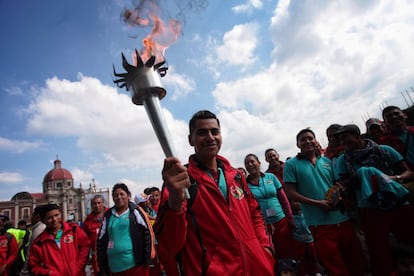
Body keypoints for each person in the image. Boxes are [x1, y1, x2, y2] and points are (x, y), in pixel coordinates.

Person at [154, 110, 274, 276]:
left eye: (214, 131)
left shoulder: (237, 176)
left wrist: (264, 248)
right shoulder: (179, 182)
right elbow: (170, 245)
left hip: (257, 267)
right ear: (191, 140)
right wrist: (174, 201)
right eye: (202, 133)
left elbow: (255, 213)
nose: (210, 137)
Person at [335, 124, 414, 276]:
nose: (343, 143)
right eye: (340, 140)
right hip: (370, 208)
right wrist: (364, 176)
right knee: (378, 251)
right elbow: (343, 183)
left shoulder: (384, 150)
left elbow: (408, 172)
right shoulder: (342, 160)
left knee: (409, 240)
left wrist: (392, 178)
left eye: (346, 138)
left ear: (357, 135)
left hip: (398, 204)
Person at [283, 128, 363, 276]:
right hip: (318, 224)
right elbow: (290, 192)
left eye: (310, 138)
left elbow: (336, 184)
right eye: (303, 139)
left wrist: (339, 195)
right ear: (297, 144)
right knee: (335, 267)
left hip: (342, 219)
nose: (307, 141)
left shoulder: (326, 161)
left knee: (355, 262)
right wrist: (318, 203)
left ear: (315, 140)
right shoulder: (291, 164)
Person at [244, 153, 294, 264]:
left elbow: (283, 199)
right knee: (270, 254)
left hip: (281, 221)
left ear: (259, 163)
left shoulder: (271, 177)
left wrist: (290, 217)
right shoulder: (245, 185)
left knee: (287, 252)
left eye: (252, 161)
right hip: (263, 226)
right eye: (247, 163)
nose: (250, 164)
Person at [97, 183, 156, 276]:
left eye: (122, 194)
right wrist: (102, 266)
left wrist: (147, 258)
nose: (119, 197)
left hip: (136, 267)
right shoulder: (108, 215)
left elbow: (147, 233)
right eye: (116, 195)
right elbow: (100, 241)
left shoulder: (135, 211)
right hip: (114, 268)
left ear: (128, 196)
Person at [28, 203, 90, 275]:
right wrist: (48, 273)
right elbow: (33, 266)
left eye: (56, 215)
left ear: (61, 214)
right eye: (49, 218)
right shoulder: (39, 243)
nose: (54, 219)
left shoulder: (74, 231)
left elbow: (85, 245)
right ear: (43, 221)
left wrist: (79, 265)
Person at [290, 202, 320, 276]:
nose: (297, 204)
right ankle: (304, 273)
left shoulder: (306, 213)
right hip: (298, 240)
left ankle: (316, 271)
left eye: (298, 202)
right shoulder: (290, 217)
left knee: (313, 257)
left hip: (309, 239)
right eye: (294, 202)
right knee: (301, 258)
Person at [83, 195, 107, 276]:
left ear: (103, 203)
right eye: (94, 203)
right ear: (91, 205)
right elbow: (85, 242)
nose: (97, 205)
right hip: (97, 258)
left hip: (113, 255)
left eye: (99, 203)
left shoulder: (111, 214)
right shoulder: (88, 221)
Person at [19, 206, 46, 276]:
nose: (31, 218)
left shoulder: (39, 230)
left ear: (38, 216)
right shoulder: (38, 229)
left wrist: (24, 270)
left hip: (36, 268)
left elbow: (31, 252)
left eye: (32, 215)